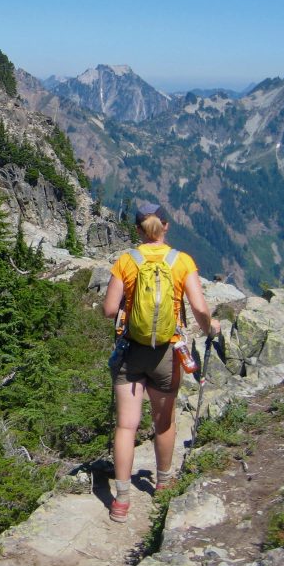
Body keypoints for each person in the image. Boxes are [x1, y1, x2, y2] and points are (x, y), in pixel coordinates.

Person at [102, 203, 220, 523]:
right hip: (167, 355)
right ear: (166, 226)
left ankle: (121, 501)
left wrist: (132, 301)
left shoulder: (127, 261)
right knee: (163, 422)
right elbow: (198, 307)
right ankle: (164, 485)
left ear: (138, 230)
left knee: (127, 425)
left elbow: (109, 310)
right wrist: (212, 328)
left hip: (131, 351)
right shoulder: (181, 261)